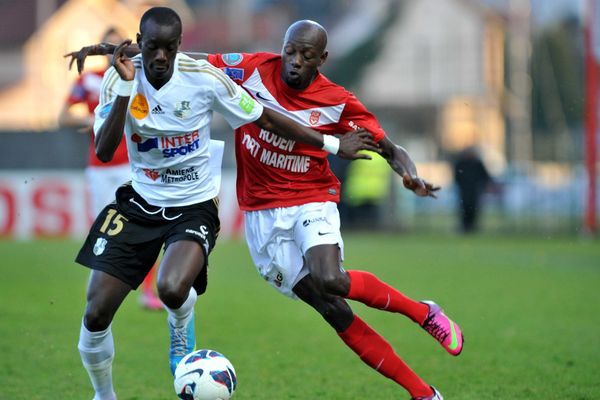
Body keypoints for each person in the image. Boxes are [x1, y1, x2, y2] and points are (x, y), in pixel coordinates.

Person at [67, 19, 461, 400]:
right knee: (333, 309)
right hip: (262, 215)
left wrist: (410, 174)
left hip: (311, 197)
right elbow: (189, 57)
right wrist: (119, 51)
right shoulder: (253, 69)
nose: (294, 61)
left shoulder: (338, 102)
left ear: (321, 59)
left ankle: (422, 313)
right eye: (289, 51)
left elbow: (389, 147)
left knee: (332, 278)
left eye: (305, 55)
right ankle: (424, 392)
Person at [59, 27, 163, 311]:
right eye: (111, 47)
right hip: (100, 167)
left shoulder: (139, 78)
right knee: (102, 228)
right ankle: (97, 286)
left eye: (121, 46)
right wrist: (92, 120)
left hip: (134, 165)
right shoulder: (91, 81)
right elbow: (64, 115)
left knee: (147, 225)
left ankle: (147, 291)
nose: (116, 52)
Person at [453, 146, 494, 233]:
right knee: (464, 209)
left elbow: (485, 176)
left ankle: (472, 227)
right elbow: (457, 177)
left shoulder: (477, 164)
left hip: (475, 191)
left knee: (474, 209)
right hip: (464, 191)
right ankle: (464, 227)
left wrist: (485, 185)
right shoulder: (461, 163)